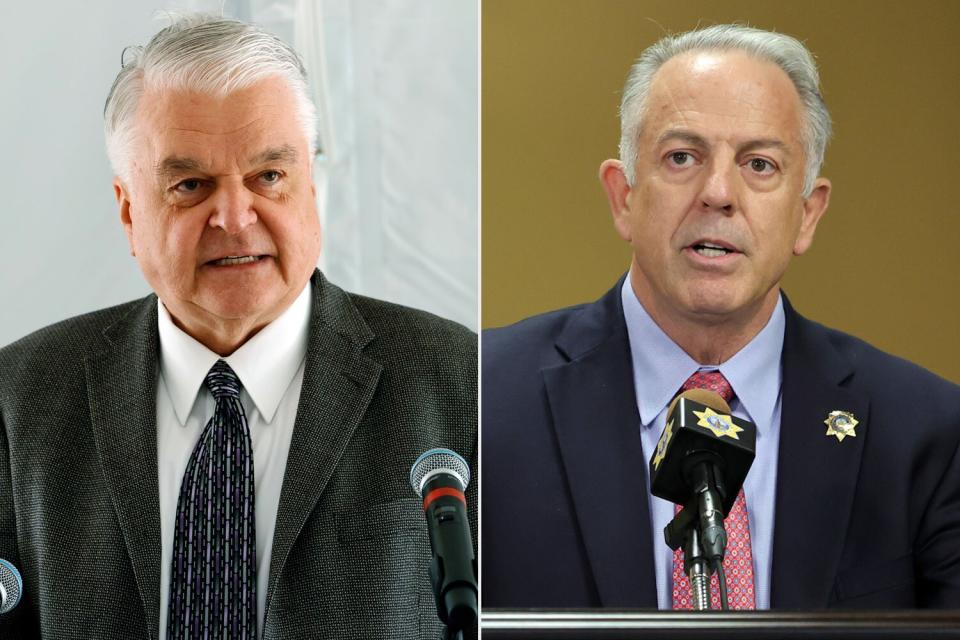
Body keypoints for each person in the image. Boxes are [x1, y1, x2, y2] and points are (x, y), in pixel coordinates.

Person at [0, 14, 476, 639]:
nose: (232, 215)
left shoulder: (459, 382)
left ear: (310, 185)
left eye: (268, 177)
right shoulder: (20, 396)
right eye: (191, 185)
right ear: (127, 211)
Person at [482, 24, 960, 610]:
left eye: (759, 164)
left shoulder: (928, 431)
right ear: (623, 196)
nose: (718, 193)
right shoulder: (482, 398)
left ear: (807, 215)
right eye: (682, 156)